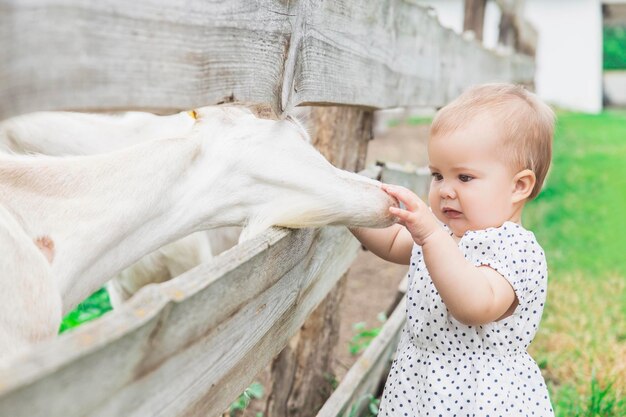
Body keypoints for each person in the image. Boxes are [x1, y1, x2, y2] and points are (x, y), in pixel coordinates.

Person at [351, 83, 555, 416]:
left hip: (481, 398)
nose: (446, 190)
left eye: (464, 177)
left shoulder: (516, 250)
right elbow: (390, 242)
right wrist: (348, 210)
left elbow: (474, 305)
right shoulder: (444, 232)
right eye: (437, 175)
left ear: (519, 186)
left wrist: (431, 236)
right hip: (419, 386)